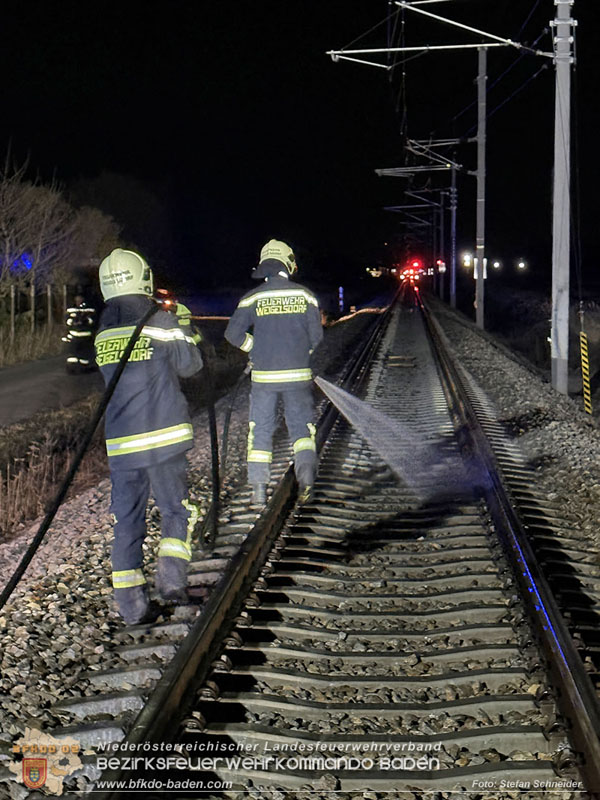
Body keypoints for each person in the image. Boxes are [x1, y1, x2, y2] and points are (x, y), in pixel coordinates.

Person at [95, 248, 203, 625]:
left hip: (122, 445)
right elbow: (190, 367)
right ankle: (172, 587)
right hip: (163, 439)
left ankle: (132, 609)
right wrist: (184, 329)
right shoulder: (160, 320)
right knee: (177, 511)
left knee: (126, 522)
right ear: (144, 278)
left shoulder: (103, 331)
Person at [225, 239, 323, 506]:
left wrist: (255, 348)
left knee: (261, 431)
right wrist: (300, 354)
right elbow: (317, 337)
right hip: (298, 377)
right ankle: (307, 483)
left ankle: (258, 489)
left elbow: (232, 334)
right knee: (302, 430)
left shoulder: (252, 297)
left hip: (264, 379)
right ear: (288, 263)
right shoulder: (305, 296)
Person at [63, 294, 96, 372]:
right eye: (77, 299)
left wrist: (84, 320)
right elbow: (67, 321)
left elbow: (92, 321)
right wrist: (74, 321)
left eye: (80, 299)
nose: (79, 301)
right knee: (73, 355)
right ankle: (72, 368)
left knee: (84, 355)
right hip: (74, 336)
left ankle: (83, 368)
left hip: (85, 336)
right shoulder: (71, 309)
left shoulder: (89, 309)